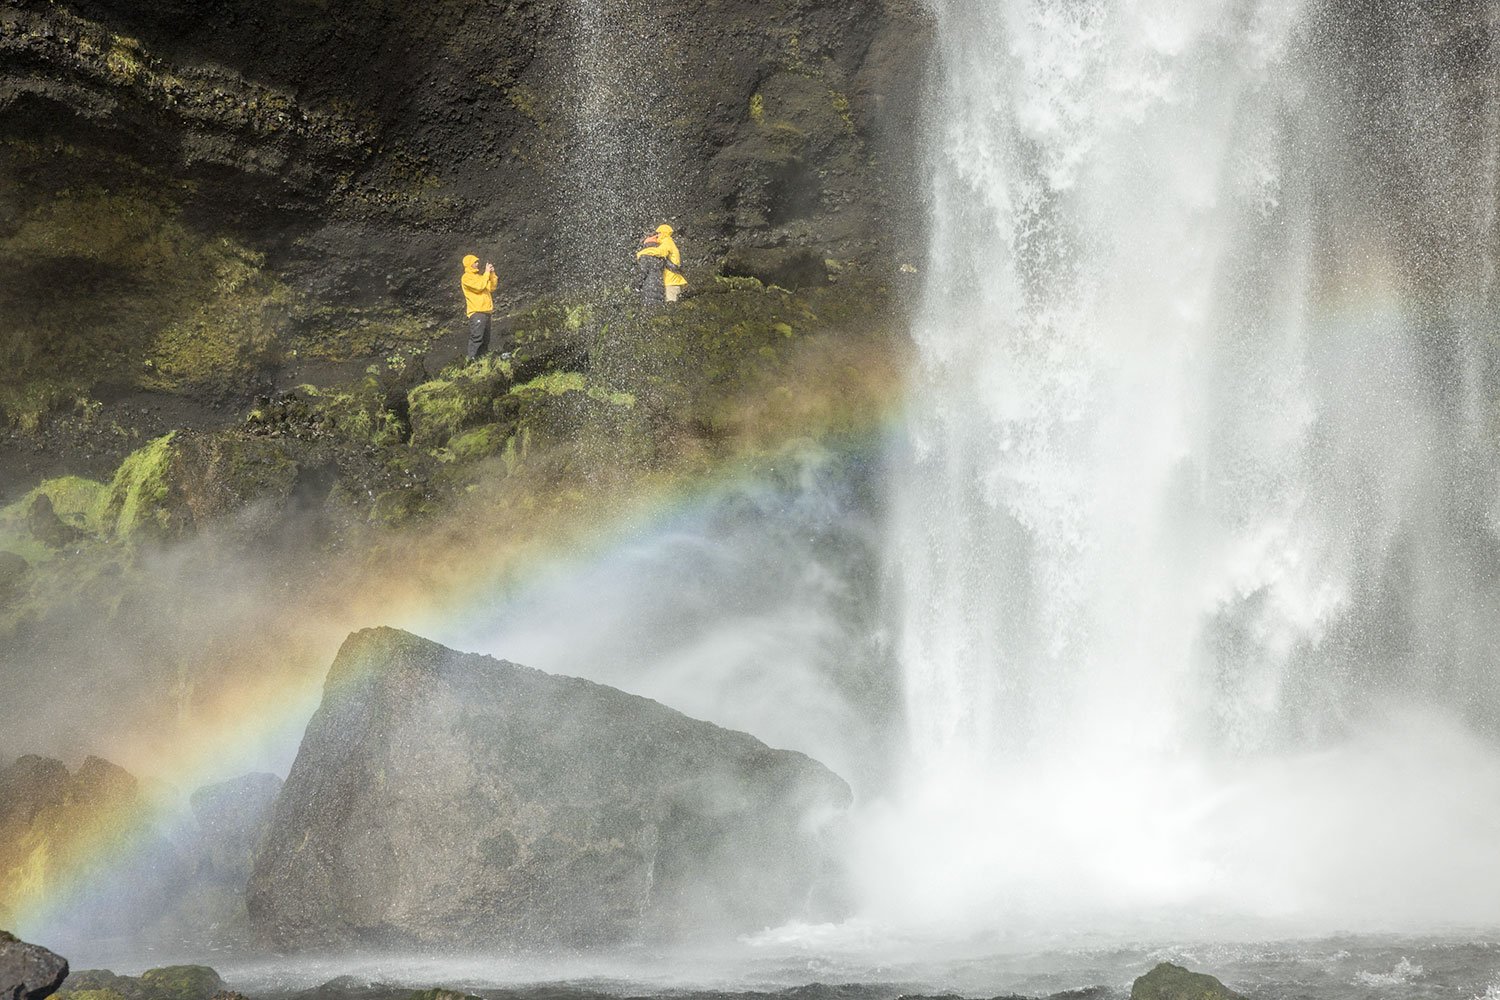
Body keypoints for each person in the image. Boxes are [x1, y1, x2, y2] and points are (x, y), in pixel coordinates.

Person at [634, 223, 686, 303]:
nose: (657, 235)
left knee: (671, 305)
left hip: (671, 281)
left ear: (663, 233)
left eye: (658, 233)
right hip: (670, 280)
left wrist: (642, 253)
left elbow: (660, 252)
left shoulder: (667, 241)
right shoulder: (668, 242)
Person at [460, 253, 498, 361]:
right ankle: (472, 360)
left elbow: (491, 287)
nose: (477, 264)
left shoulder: (480, 277)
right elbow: (479, 287)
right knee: (477, 338)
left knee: (486, 339)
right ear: (469, 264)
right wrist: (486, 273)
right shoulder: (466, 278)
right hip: (477, 312)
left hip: (486, 312)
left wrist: (491, 273)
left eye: (477, 262)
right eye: (474, 262)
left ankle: (483, 360)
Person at [635, 232, 668, 305]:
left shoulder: (645, 255)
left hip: (648, 287)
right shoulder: (661, 256)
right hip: (660, 286)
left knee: (649, 310)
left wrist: (637, 286)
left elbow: (643, 272)